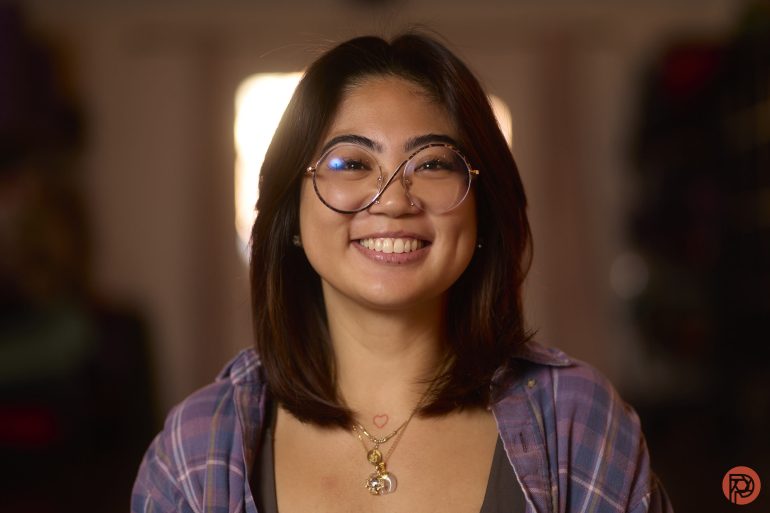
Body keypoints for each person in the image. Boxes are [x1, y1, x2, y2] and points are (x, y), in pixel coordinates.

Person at [131, 32, 673, 513]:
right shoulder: (194, 448)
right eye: (352, 163)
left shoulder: (580, 422)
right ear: (290, 213)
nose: (392, 201)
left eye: (433, 163)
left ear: (481, 209)